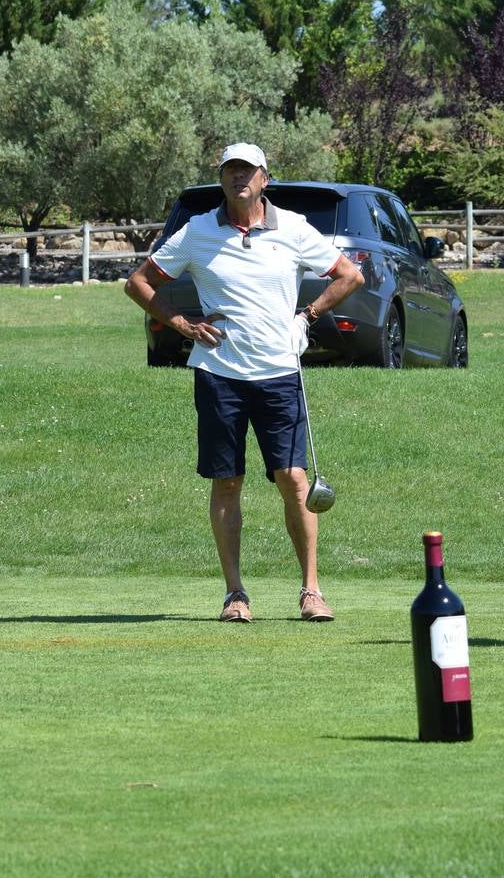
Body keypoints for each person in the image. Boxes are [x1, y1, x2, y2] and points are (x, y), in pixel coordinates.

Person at [124, 143, 364, 624]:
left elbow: (349, 275)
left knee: (294, 481)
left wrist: (308, 315)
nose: (239, 179)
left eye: (247, 171)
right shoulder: (198, 231)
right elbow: (138, 283)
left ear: (264, 178)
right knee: (227, 482)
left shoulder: (292, 228)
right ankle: (235, 594)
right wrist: (182, 323)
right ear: (223, 179)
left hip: (280, 373)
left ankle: (311, 591)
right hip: (220, 374)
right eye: (231, 171)